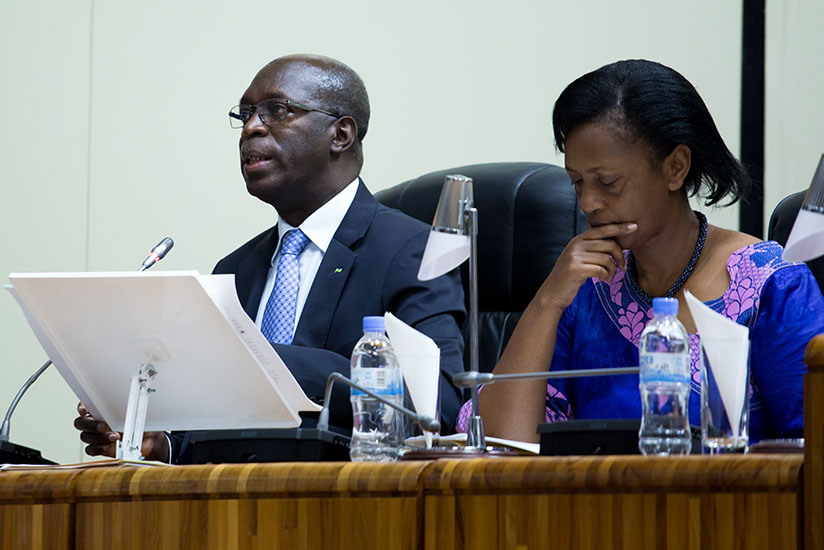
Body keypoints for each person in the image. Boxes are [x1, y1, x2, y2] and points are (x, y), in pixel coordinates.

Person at [76, 54, 466, 463]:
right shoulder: (235, 270)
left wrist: (257, 360)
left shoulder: (412, 250)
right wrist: (163, 444)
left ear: (341, 134)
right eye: (245, 114)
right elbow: (221, 426)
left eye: (276, 111)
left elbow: (437, 407)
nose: (251, 128)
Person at [458, 59, 824, 443]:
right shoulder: (588, 289)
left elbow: (811, 450)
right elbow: (503, 444)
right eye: (577, 183)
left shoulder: (771, 286)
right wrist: (548, 299)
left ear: (675, 168)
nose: (589, 203)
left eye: (608, 182)